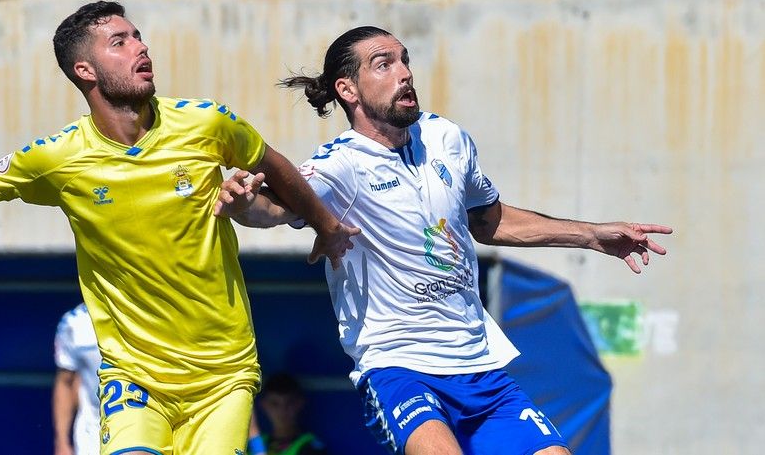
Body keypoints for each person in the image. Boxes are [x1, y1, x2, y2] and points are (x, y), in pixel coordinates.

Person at [0, 0, 357, 455]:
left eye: (139, 37)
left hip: (225, 373)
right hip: (136, 377)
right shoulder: (60, 157)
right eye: (121, 42)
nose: (141, 48)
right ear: (84, 71)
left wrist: (324, 225)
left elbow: (273, 165)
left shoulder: (206, 123)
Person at [215, 26, 672, 455]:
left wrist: (590, 236)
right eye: (383, 63)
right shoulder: (341, 165)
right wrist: (240, 203)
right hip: (399, 366)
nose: (404, 72)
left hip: (480, 365)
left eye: (405, 60)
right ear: (347, 90)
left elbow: (487, 220)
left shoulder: (447, 137)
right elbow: (276, 207)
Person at [53, 302, 102, 455]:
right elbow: (65, 382)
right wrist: (61, 441)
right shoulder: (73, 322)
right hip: (91, 431)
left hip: (138, 425)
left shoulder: (139, 314)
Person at [251, 373, 327, 455]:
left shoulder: (311, 447)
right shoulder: (253, 444)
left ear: (300, 403)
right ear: (263, 404)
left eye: (289, 403)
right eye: (274, 404)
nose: (282, 410)